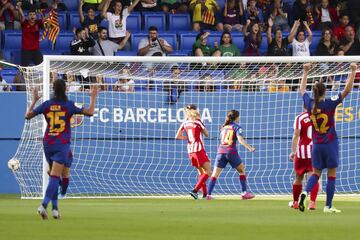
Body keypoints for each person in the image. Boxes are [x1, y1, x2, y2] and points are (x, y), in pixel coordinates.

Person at [25, 80, 99, 219]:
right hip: (61, 144)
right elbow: (90, 112)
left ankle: (55, 210)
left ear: (53, 89)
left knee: (54, 175)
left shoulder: (46, 104)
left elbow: (27, 116)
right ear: (65, 89)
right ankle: (43, 206)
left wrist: (34, 100)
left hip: (48, 143)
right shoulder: (68, 105)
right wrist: (93, 97)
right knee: (54, 177)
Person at [298, 63, 357, 213]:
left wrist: (305, 72)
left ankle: (305, 192)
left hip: (316, 144)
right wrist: (353, 70)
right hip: (330, 142)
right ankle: (328, 206)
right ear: (325, 92)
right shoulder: (330, 103)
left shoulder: (310, 104)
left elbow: (302, 90)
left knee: (316, 173)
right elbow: (348, 90)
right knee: (332, 174)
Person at [207, 110, 255, 200]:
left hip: (221, 151)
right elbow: (240, 140)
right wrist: (250, 147)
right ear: (237, 117)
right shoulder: (237, 127)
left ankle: (208, 194)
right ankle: (244, 193)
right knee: (241, 170)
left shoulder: (223, 127)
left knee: (214, 174)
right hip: (231, 152)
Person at [175, 104, 211, 199]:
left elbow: (177, 136)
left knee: (201, 173)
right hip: (199, 149)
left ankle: (205, 195)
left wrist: (188, 138)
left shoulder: (185, 123)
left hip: (190, 150)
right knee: (208, 171)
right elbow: (206, 134)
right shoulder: (198, 122)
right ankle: (195, 191)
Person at [289, 104, 319, 210]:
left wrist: (293, 151)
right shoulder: (319, 116)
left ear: (303, 106)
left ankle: (296, 202)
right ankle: (312, 203)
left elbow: (296, 134)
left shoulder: (300, 117)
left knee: (298, 178)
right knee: (313, 176)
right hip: (315, 151)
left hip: (302, 152)